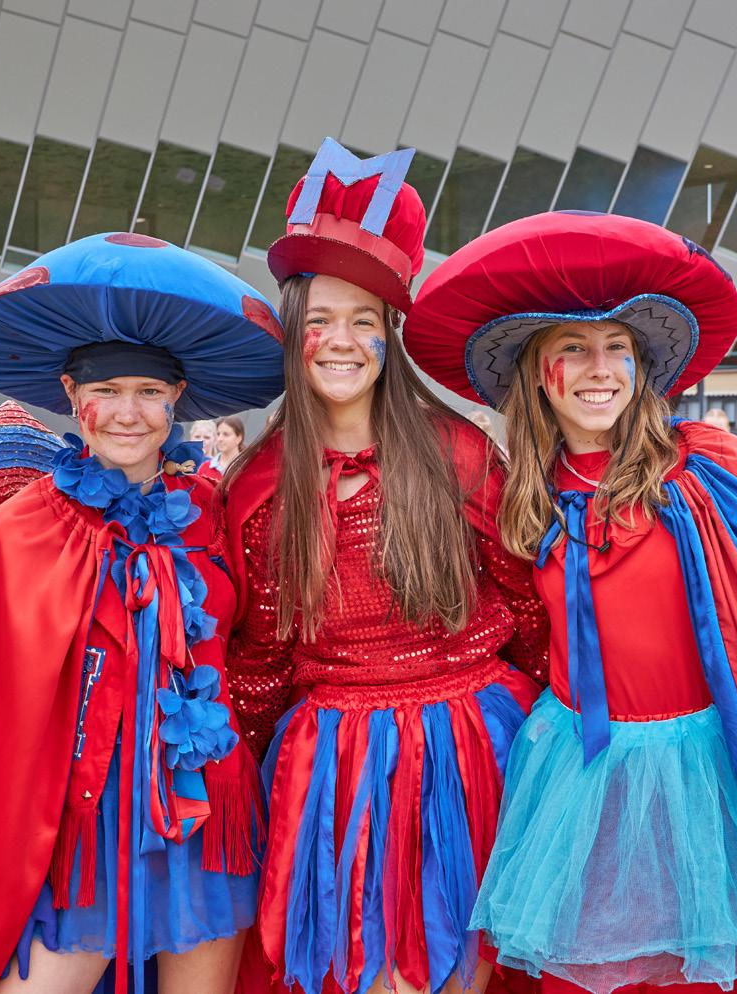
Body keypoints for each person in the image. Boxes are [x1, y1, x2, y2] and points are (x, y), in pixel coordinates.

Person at [404, 211, 737, 994]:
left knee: (700, 974)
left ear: (642, 367)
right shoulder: (523, 494)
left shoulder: (702, 469)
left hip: (698, 775)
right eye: (572, 348)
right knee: (577, 970)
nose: (598, 368)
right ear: (536, 372)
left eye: (617, 348)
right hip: (576, 773)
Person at [0, 231, 286, 994]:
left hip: (208, 813)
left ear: (177, 398)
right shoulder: (26, 526)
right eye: (108, 390)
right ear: (73, 395)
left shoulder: (216, 510)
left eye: (150, 392)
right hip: (88, 821)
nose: (128, 413)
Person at [224, 139, 548, 994]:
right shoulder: (257, 490)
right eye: (320, 320)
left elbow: (531, 609)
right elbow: (257, 664)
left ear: (389, 335)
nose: (342, 341)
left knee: (469, 972)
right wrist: (236, 786)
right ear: (292, 333)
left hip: (473, 749)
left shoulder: (460, 456)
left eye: (364, 319)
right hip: (340, 768)